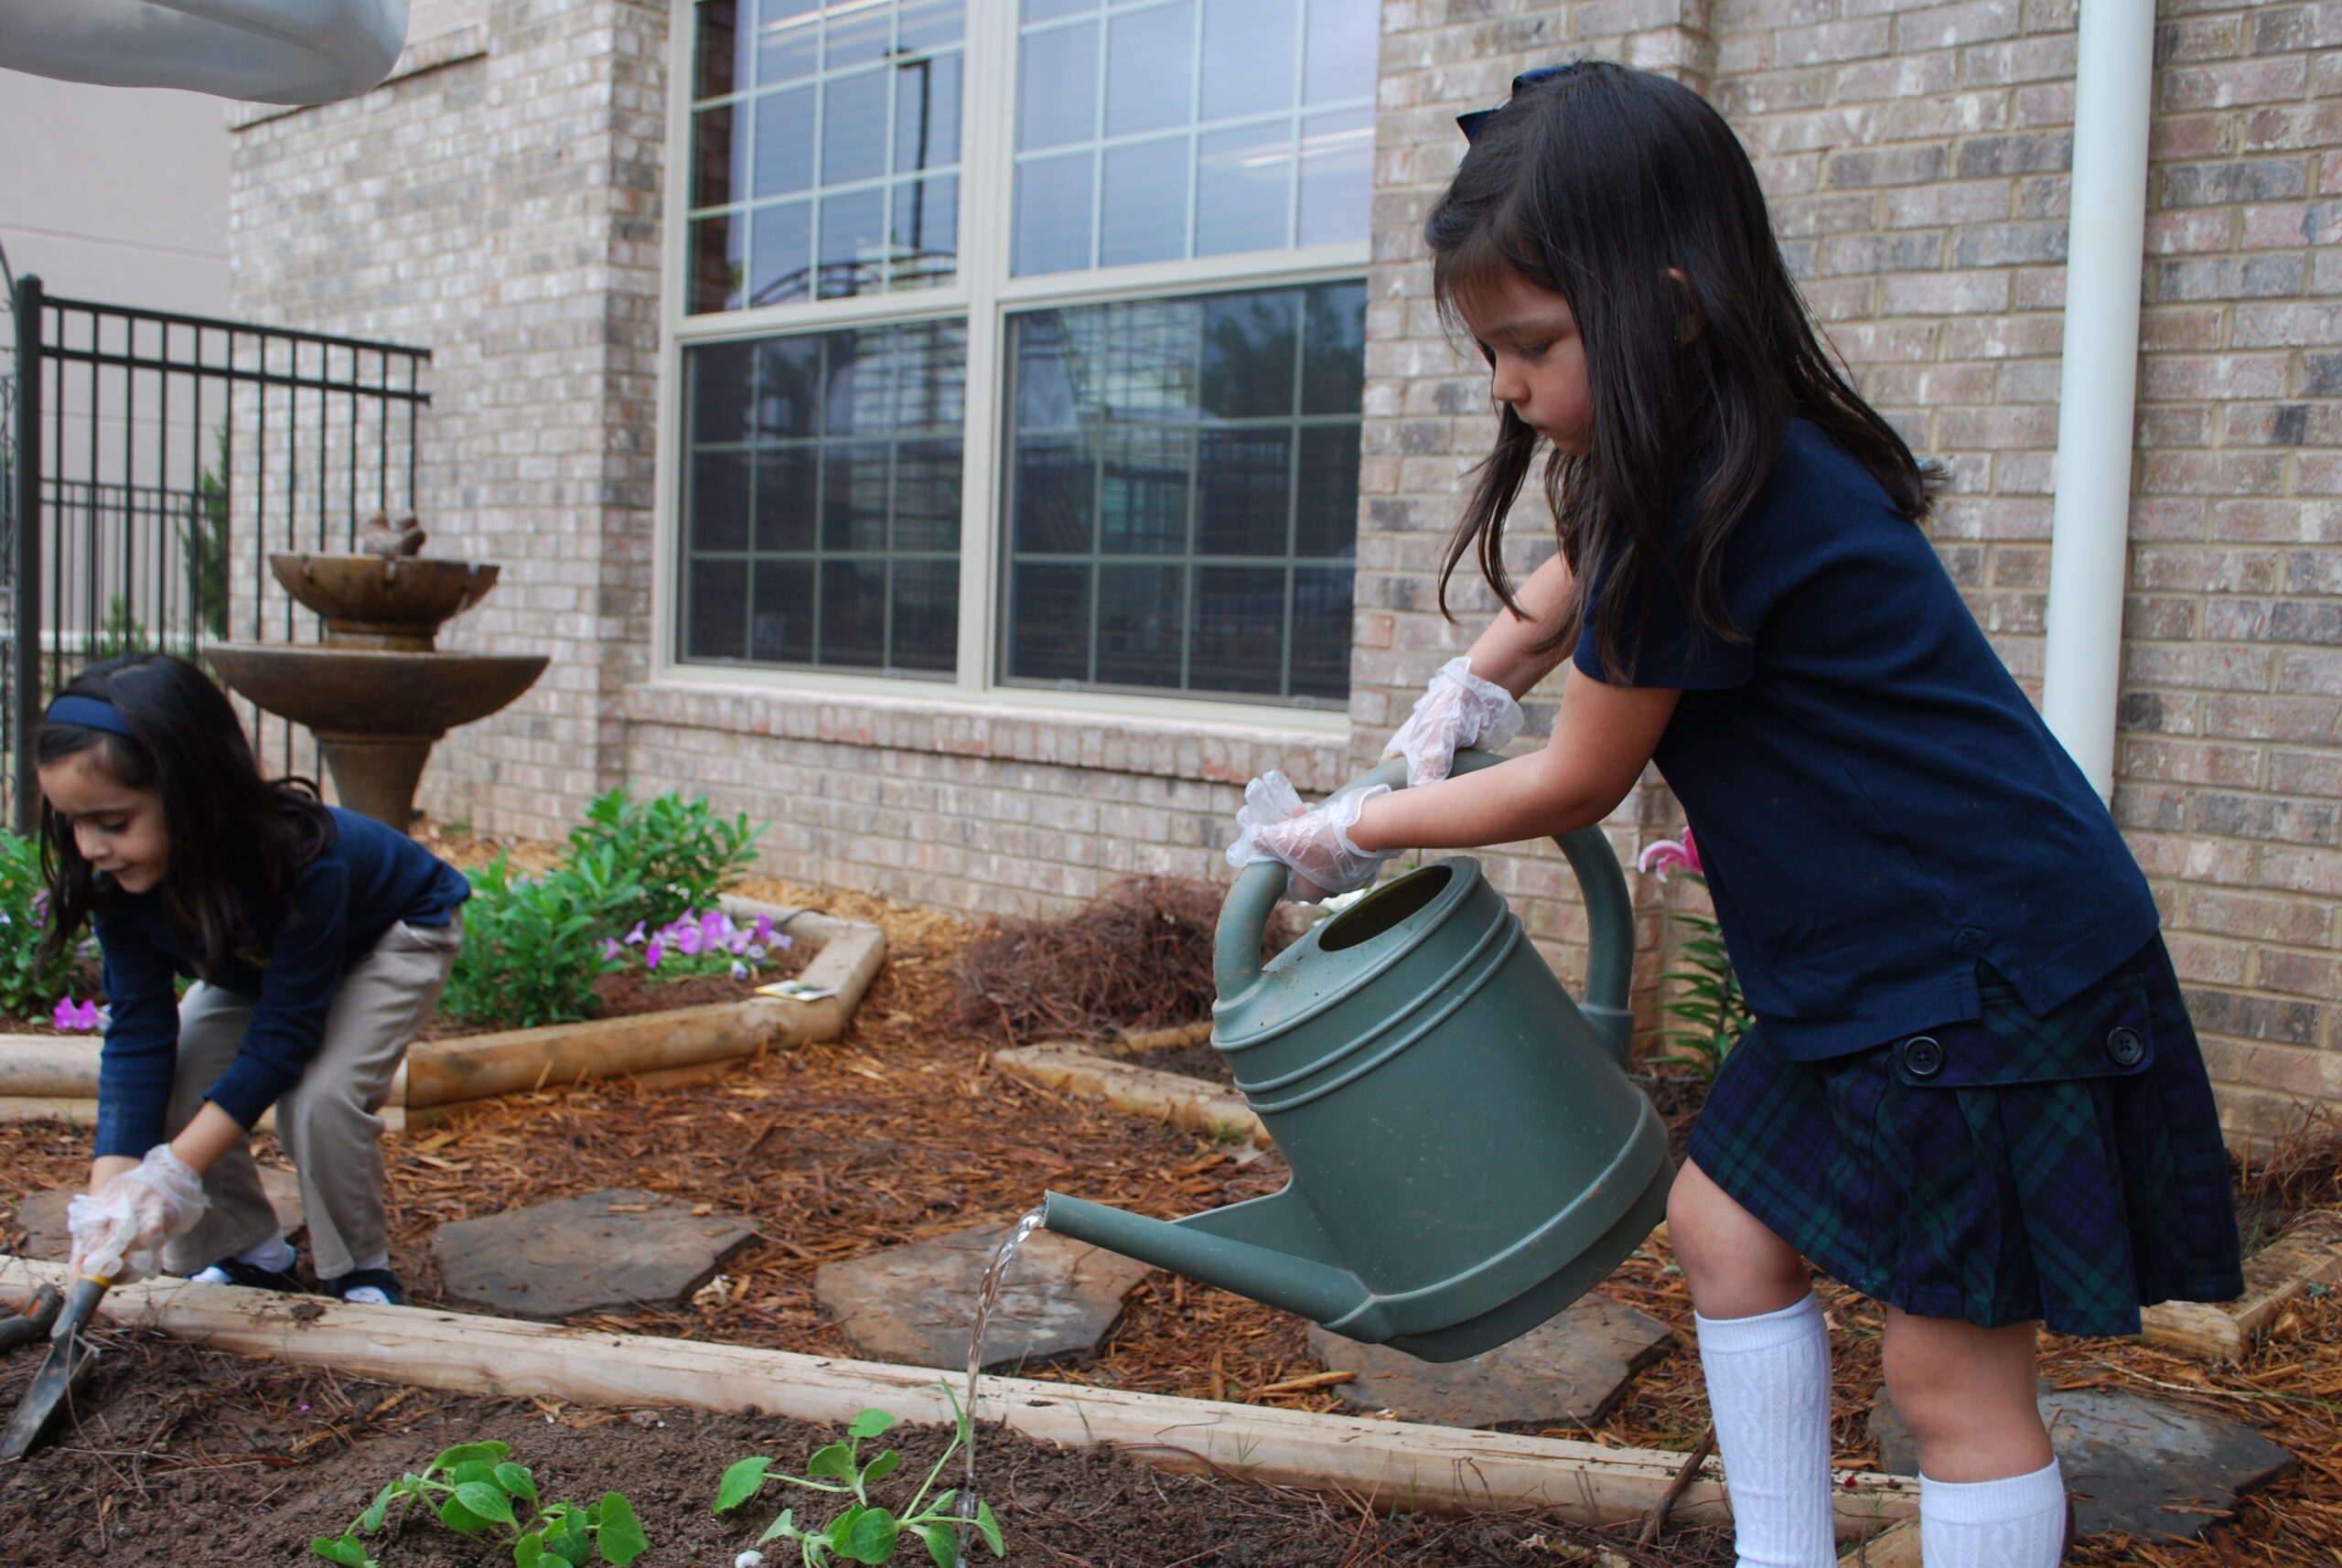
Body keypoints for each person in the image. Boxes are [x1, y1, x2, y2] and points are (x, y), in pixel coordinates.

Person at [1229, 62, 2240, 1568]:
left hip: (1985, 969)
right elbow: (1575, 581)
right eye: (1494, 350)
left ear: (1672, 303)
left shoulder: (1714, 492)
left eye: (1532, 345)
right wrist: (1474, 675)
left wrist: (1362, 824)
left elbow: (1580, 778)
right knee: (1724, 1224)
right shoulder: (1719, 446)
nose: (1508, 384)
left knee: (1948, 1381)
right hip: (1895, 962)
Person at [38, 652, 470, 1308]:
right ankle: (249, 1254)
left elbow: (285, 1034)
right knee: (182, 1072)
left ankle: (359, 1268)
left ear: (192, 793)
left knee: (320, 1098)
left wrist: (176, 1172)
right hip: (261, 959)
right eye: (73, 822)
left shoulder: (300, 863)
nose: (89, 848)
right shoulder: (120, 884)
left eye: (112, 822)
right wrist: (108, 1207)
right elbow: (137, 1037)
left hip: (388, 938)